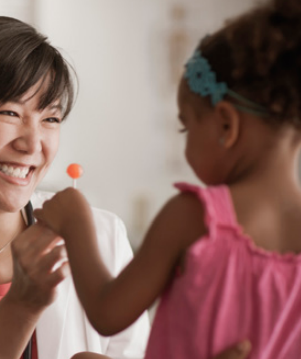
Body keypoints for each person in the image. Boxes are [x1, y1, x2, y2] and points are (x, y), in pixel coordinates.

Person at [34, 0, 301, 358]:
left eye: (186, 125)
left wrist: (76, 221)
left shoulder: (195, 217)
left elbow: (107, 312)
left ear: (226, 125)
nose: (186, 139)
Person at [0, 16, 151, 359]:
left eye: (50, 119)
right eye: (10, 113)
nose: (33, 144)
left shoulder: (101, 239)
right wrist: (21, 306)